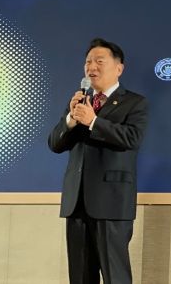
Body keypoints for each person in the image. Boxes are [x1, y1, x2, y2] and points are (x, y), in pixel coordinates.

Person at [48, 38, 148, 284]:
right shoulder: (79, 102)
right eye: (88, 62)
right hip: (77, 202)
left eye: (99, 61)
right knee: (80, 276)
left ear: (119, 68)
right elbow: (55, 144)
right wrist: (71, 120)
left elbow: (131, 138)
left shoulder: (134, 102)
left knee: (115, 275)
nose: (91, 67)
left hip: (111, 202)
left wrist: (93, 121)